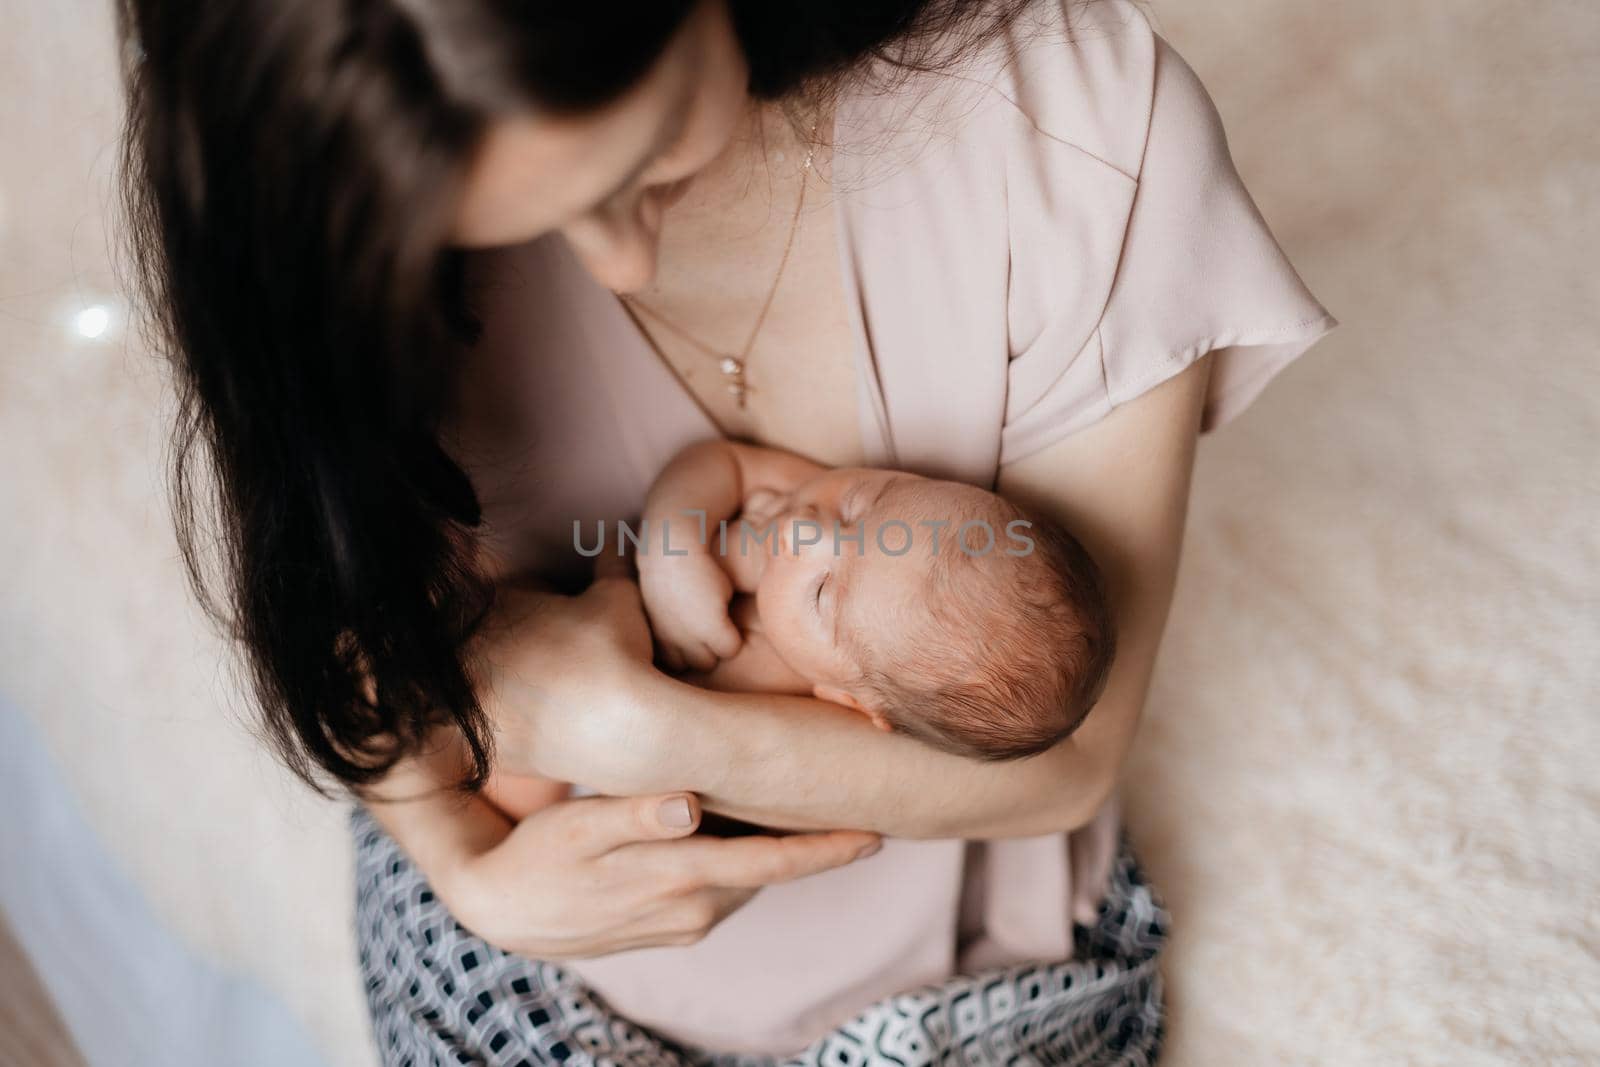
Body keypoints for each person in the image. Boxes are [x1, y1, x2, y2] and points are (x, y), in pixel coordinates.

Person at [119, 0, 1336, 1061]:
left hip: (954, 972)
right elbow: (361, 636)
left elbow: (1061, 757)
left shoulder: (1070, 128)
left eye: (643, 157)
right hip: (538, 928)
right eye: (499, 230)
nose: (620, 257)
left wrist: (646, 727)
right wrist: (466, 871)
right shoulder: (336, 230)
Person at [632, 439, 1118, 762]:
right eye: (861, 504)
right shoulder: (803, 490)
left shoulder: (770, 699)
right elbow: (722, 461)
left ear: (845, 697)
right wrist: (669, 548)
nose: (806, 527)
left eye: (821, 593)